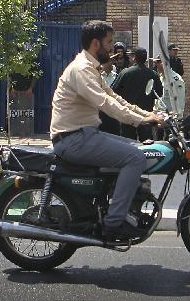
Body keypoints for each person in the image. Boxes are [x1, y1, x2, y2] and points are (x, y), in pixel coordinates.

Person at [50, 20, 163, 241]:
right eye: (109, 42)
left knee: (140, 149)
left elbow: (115, 98)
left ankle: (119, 206)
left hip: (84, 135)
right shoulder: (82, 69)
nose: (112, 48)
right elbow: (105, 103)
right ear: (96, 43)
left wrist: (148, 115)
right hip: (73, 139)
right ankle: (114, 223)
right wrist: (139, 121)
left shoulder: (91, 68)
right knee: (135, 158)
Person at [112, 47, 163, 141]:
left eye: (131, 55)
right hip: (146, 115)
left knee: (128, 144)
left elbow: (114, 92)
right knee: (147, 144)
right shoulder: (153, 74)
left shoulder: (125, 73)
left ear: (134, 57)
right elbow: (159, 93)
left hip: (128, 115)